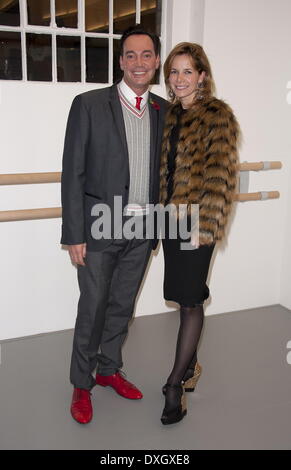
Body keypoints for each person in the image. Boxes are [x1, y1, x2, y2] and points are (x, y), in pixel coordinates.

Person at [61, 26, 167, 424]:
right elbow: (73, 171)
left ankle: (107, 370)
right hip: (99, 228)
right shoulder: (88, 105)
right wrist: (74, 232)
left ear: (156, 61)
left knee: (123, 306)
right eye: (131, 55)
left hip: (143, 229)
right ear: (120, 61)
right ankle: (80, 384)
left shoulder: (162, 110)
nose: (138, 62)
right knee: (93, 308)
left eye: (146, 55)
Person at [159, 42, 240, 425]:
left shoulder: (217, 116)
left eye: (187, 71)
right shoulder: (171, 115)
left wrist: (206, 228)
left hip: (197, 223)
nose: (179, 79)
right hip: (172, 221)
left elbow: (221, 176)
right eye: (174, 72)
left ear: (202, 75)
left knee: (191, 300)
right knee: (180, 296)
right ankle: (191, 367)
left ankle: (174, 383)